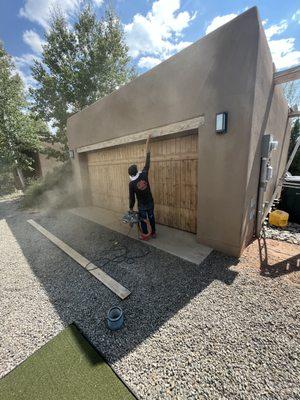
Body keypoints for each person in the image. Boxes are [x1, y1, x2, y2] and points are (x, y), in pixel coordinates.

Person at [128, 134, 156, 240]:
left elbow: (132, 198)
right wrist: (148, 149)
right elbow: (147, 162)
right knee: (151, 217)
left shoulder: (131, 184)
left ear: (131, 175)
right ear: (137, 171)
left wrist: (131, 208)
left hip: (142, 205)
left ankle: (145, 235)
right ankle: (153, 233)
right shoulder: (144, 174)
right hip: (150, 202)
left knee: (143, 219)